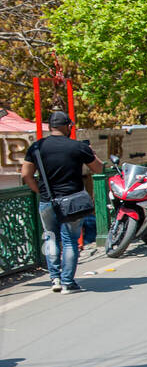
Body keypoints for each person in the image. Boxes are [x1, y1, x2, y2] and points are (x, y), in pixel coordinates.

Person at [20, 111, 102, 293]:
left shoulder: (36, 147)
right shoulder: (78, 147)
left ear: (50, 127)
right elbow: (98, 169)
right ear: (67, 126)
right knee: (70, 241)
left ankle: (55, 279)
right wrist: (93, 154)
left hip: (47, 200)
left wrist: (39, 191)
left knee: (51, 237)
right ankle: (68, 282)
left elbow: (25, 174)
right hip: (72, 202)